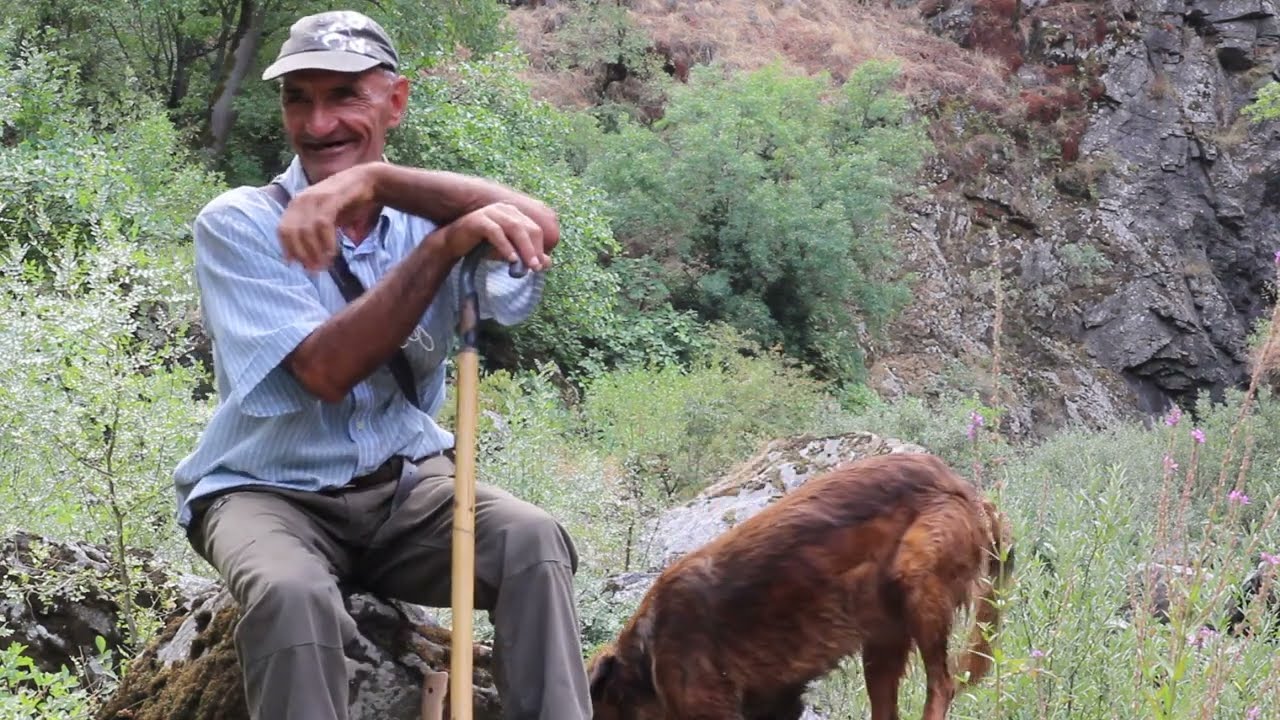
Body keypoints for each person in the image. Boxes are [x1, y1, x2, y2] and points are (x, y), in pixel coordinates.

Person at [171, 10, 591, 720]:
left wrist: (380, 186)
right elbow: (324, 372)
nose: (317, 121)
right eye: (298, 97)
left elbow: (539, 227)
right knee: (290, 594)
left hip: (405, 485)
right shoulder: (239, 221)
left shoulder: (419, 209)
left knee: (533, 542)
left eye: (344, 96)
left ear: (395, 101)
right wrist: (442, 249)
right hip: (266, 490)